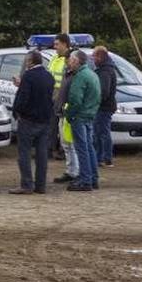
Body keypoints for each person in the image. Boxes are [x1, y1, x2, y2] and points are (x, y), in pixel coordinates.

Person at [9, 51, 55, 195]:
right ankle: (41, 185)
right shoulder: (49, 76)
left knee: (24, 153)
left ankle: (26, 184)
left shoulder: (28, 76)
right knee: (42, 154)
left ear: (30, 61)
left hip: (28, 120)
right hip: (45, 119)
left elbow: (23, 98)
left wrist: (17, 112)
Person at [65, 50, 101, 192]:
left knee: (82, 149)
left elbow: (75, 100)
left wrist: (69, 114)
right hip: (90, 115)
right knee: (89, 147)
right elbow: (98, 97)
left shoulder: (80, 77)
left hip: (80, 116)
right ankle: (93, 178)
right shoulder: (93, 74)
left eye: (71, 60)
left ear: (76, 61)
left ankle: (85, 180)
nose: (69, 62)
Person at [53, 52, 81, 185]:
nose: (66, 61)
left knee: (72, 144)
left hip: (69, 114)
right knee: (66, 144)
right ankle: (71, 171)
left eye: (68, 59)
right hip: (62, 113)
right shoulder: (67, 73)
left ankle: (76, 172)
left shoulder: (76, 75)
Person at [47, 34, 71, 159]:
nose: (54, 46)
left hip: (62, 96)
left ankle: (63, 150)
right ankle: (50, 149)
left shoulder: (70, 59)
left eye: (57, 44)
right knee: (52, 124)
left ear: (64, 44)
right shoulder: (54, 58)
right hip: (52, 95)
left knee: (63, 126)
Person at [94, 46, 117, 167]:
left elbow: (104, 91)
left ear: (100, 57)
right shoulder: (106, 69)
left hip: (103, 107)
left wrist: (95, 102)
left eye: (95, 56)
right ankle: (104, 157)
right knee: (102, 132)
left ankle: (103, 158)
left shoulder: (105, 71)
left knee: (101, 133)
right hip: (106, 106)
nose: (93, 58)